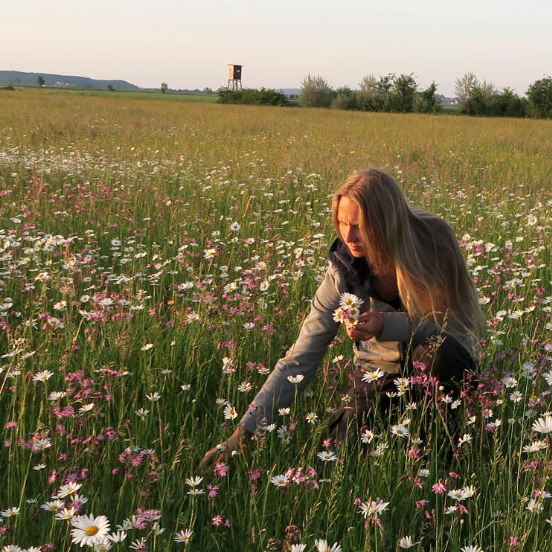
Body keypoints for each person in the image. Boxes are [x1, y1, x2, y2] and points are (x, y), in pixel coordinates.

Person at [201, 168, 483, 467]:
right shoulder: (342, 270)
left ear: (386, 223)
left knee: (440, 353)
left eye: (360, 226)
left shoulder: (433, 242)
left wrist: (387, 324)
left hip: (441, 363)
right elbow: (301, 356)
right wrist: (242, 434)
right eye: (341, 223)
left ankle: (442, 457)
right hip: (378, 372)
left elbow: (455, 323)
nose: (348, 236)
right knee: (336, 461)